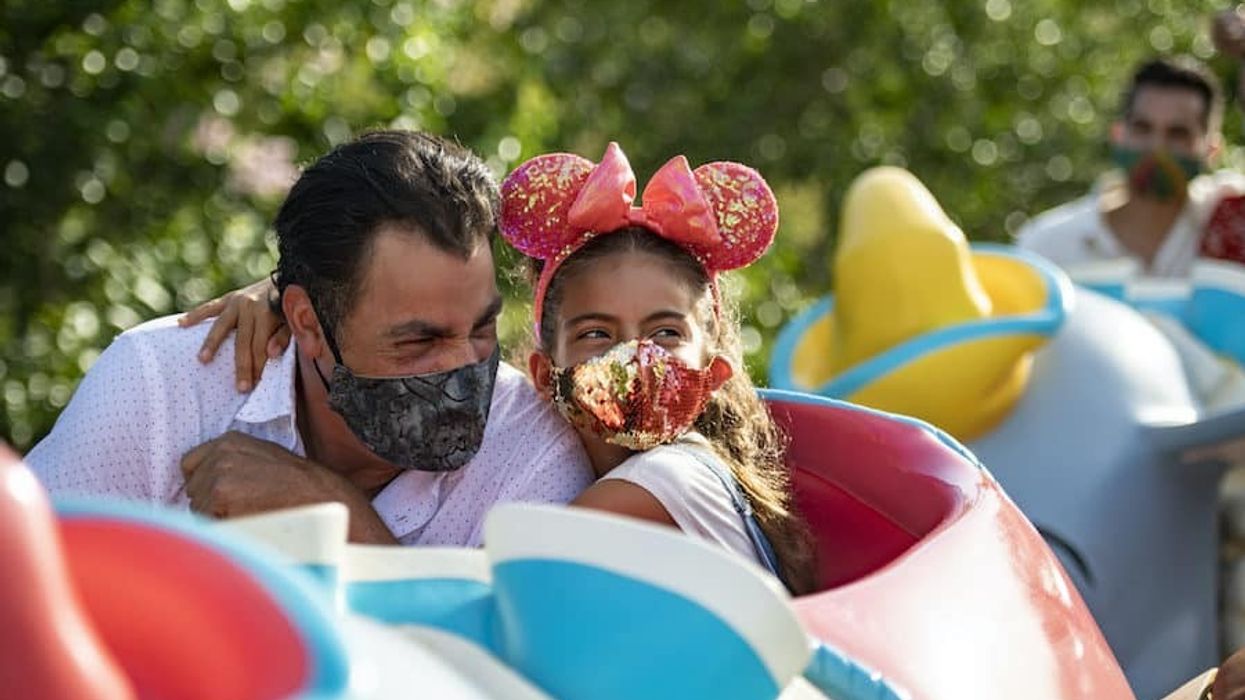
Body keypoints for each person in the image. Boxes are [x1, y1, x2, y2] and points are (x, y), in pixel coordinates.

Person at [25, 130, 594, 545]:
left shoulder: (532, 450)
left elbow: (499, 672)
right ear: (305, 322)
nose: (464, 368)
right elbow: (26, 601)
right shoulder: (158, 390)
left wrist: (338, 516)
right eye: (417, 343)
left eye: (482, 328)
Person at [501, 144, 817, 593]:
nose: (635, 356)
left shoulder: (657, 486)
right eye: (596, 335)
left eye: (666, 333)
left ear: (714, 370)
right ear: (543, 373)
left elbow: (487, 591)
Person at [1016, 56, 1245, 277]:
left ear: (1212, 150)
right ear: (1118, 135)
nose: (1157, 148)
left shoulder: (1229, 227)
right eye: (1143, 128)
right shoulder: (1047, 248)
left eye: (1178, 134)